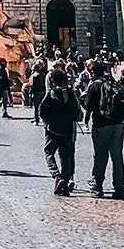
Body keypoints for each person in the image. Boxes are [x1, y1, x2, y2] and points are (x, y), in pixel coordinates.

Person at [83, 58, 124, 199]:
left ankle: (98, 185)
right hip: (118, 125)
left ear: (92, 73)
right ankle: (119, 187)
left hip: (101, 125)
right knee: (117, 156)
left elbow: (88, 106)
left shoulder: (94, 86)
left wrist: (82, 98)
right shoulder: (113, 83)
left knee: (100, 156)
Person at [39, 66, 82, 195]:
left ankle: (57, 176)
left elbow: (42, 111)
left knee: (48, 152)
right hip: (67, 130)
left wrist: (47, 122)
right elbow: (77, 113)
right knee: (65, 157)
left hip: (52, 131)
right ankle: (65, 180)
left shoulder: (50, 94)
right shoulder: (70, 94)